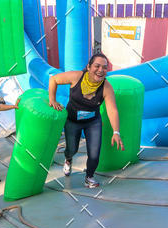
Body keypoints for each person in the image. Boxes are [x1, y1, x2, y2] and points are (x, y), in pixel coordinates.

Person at [48, 53, 124, 188]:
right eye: (97, 66)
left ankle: (89, 177)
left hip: (92, 122)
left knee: (94, 154)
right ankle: (68, 159)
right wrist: (52, 100)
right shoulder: (76, 76)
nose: (101, 70)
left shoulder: (106, 87)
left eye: (104, 67)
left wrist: (116, 132)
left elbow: (112, 110)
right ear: (89, 67)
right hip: (72, 121)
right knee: (72, 149)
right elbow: (53, 79)